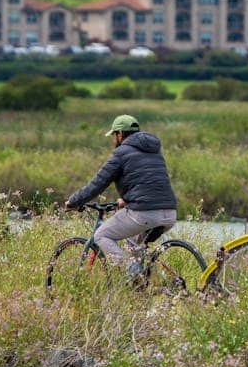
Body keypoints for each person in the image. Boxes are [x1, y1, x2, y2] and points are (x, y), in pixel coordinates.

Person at [64, 114, 177, 272]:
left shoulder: (121, 152)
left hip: (144, 213)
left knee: (101, 235)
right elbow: (147, 182)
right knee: (135, 245)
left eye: (114, 135)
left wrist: (73, 202)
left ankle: (132, 272)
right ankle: (142, 286)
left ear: (120, 134)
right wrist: (127, 200)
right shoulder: (154, 151)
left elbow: (98, 182)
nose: (113, 140)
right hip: (170, 213)